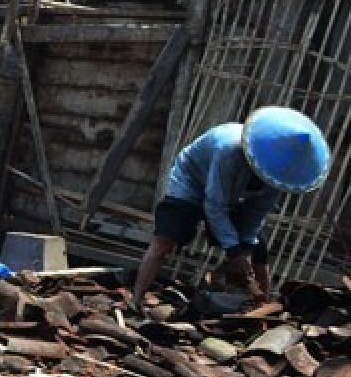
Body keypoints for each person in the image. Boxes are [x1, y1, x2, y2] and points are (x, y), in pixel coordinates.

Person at [131, 106, 330, 310]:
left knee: (257, 248)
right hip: (192, 182)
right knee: (165, 238)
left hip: (230, 194)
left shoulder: (281, 176)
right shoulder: (228, 149)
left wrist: (243, 249)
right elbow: (215, 205)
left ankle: (262, 305)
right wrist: (233, 251)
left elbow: (255, 215)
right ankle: (136, 300)